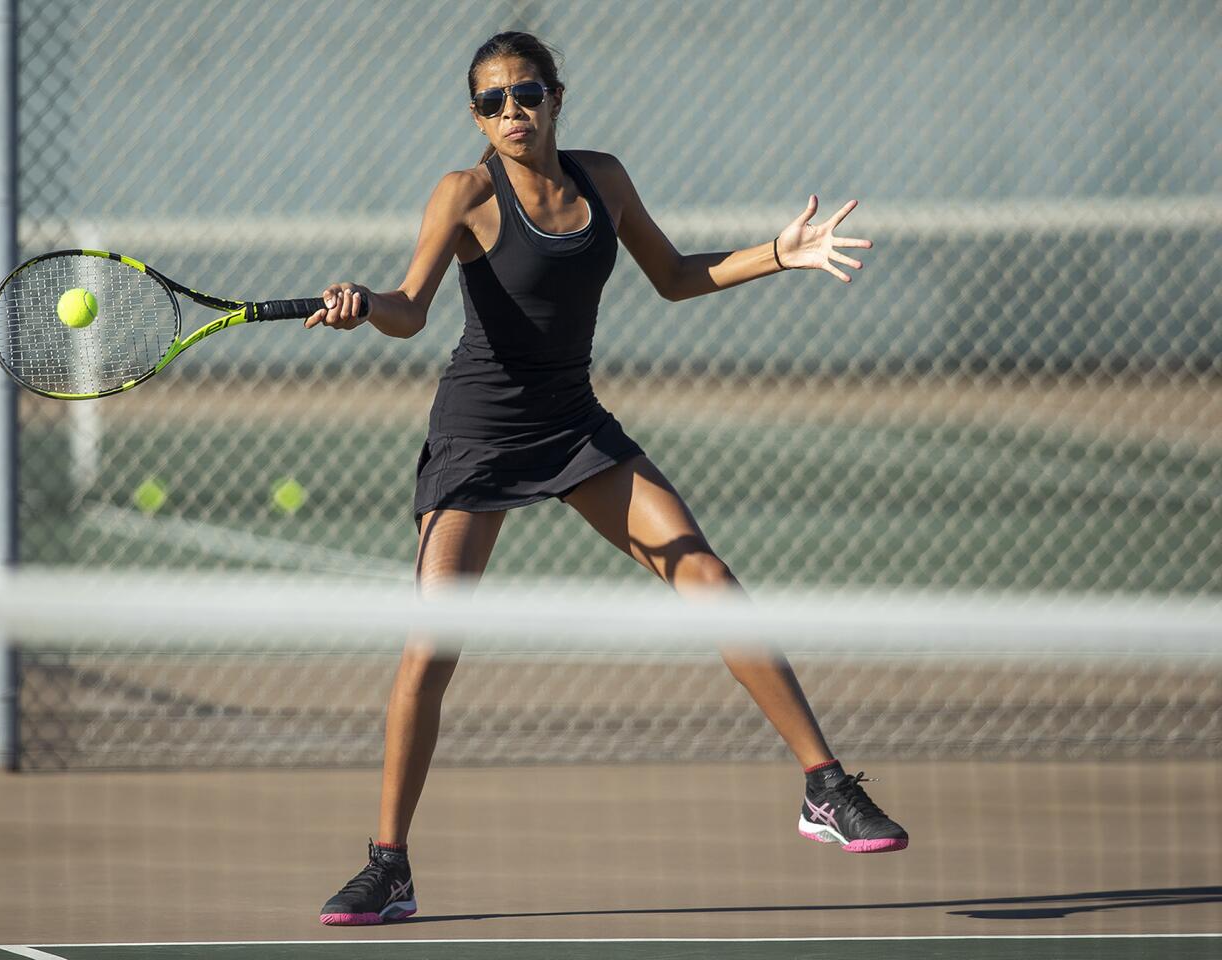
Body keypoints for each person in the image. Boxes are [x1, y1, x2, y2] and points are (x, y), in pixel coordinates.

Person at [305, 31, 906, 927]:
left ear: (556, 96)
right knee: (430, 649)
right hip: (477, 438)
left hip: (573, 425)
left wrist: (777, 253)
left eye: (527, 92)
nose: (512, 111)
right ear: (475, 114)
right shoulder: (464, 193)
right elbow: (409, 309)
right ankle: (388, 865)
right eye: (492, 100)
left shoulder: (604, 181)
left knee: (705, 574)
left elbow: (673, 276)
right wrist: (364, 307)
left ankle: (825, 786)